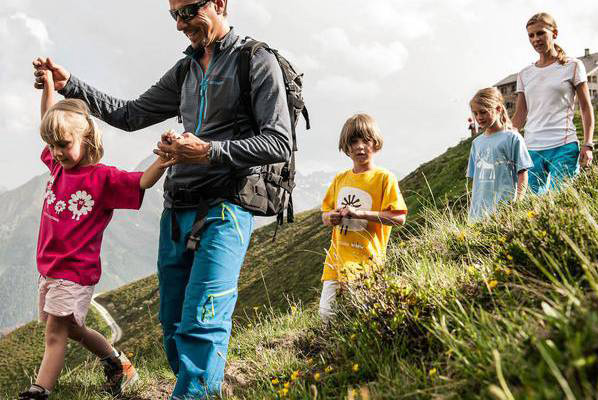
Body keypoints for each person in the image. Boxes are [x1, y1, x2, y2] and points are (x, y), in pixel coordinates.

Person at [32, 1, 292, 398]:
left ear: (220, 3)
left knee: (202, 319)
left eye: (189, 11)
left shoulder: (255, 61)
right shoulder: (186, 70)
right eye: (174, 15)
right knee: (172, 323)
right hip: (177, 208)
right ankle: (199, 387)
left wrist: (208, 152)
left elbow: (279, 141)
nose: (181, 24)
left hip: (226, 205)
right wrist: (71, 85)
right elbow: (132, 114)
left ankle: (193, 393)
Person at [19, 72, 167, 400]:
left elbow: (141, 182)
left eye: (64, 144)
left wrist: (164, 160)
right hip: (52, 270)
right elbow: (50, 121)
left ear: (85, 138)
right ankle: (118, 364)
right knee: (72, 330)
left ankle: (39, 390)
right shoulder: (59, 166)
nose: (55, 151)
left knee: (54, 334)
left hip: (74, 273)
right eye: (53, 145)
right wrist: (47, 88)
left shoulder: (102, 179)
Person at [319, 114, 407, 323]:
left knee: (361, 317)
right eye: (353, 142)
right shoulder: (340, 179)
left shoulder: (385, 178)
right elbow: (324, 215)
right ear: (345, 146)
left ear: (375, 143)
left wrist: (361, 214)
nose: (359, 147)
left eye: (365, 140)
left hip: (367, 262)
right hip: (335, 260)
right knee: (326, 314)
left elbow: (399, 218)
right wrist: (331, 217)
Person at [512, 12, 595, 194]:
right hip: (531, 148)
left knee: (563, 199)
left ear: (554, 33)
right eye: (531, 35)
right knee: (532, 206)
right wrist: (504, 142)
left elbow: (586, 108)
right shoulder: (524, 74)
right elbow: (520, 113)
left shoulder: (573, 66)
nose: (536, 39)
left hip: (563, 145)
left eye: (540, 33)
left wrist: (588, 144)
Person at [467, 88, 533, 222]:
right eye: (476, 113)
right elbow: (475, 182)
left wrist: (518, 202)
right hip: (477, 215)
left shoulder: (512, 138)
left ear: (498, 109)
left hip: (504, 209)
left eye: (483, 112)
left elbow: (522, 173)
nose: (479, 117)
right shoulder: (476, 143)